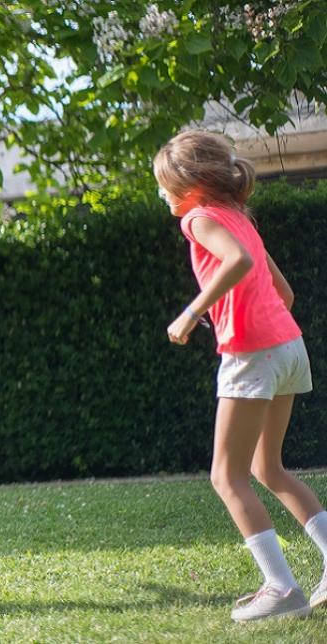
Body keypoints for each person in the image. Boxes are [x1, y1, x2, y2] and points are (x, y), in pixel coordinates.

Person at [156, 130, 327, 621]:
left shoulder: (199, 218)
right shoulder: (239, 218)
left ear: (190, 184)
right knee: (267, 470)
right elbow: (286, 295)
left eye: (165, 184)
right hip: (289, 346)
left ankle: (281, 588)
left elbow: (238, 263)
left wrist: (192, 313)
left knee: (226, 476)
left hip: (253, 354)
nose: (163, 195)